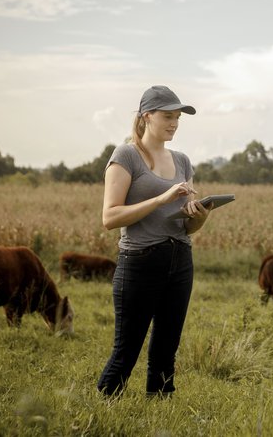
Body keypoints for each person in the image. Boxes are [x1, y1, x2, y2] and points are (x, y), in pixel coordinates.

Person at [97, 85, 211, 398]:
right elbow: (110, 217)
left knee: (166, 349)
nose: (174, 123)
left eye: (177, 118)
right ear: (147, 116)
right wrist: (162, 198)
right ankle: (104, 407)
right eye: (168, 116)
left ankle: (159, 410)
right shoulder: (126, 155)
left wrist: (200, 215)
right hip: (140, 262)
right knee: (126, 351)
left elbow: (187, 227)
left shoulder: (183, 161)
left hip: (180, 260)